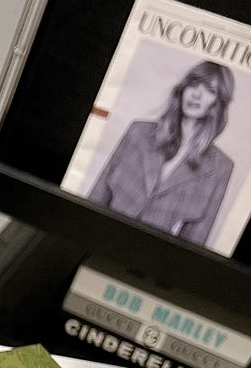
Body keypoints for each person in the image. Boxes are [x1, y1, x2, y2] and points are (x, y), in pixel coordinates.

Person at [86, 60, 235, 246]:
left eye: (210, 90)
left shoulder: (220, 167)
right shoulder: (138, 132)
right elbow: (98, 194)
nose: (196, 94)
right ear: (183, 89)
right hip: (98, 237)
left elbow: (193, 242)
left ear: (217, 104)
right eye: (194, 84)